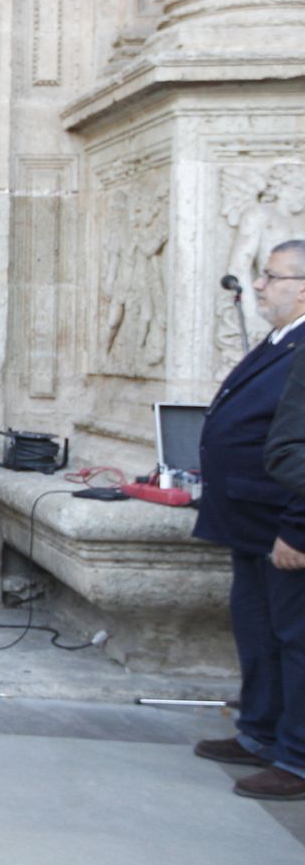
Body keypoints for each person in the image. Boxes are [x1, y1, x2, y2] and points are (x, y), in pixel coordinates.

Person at [193, 239, 305, 801]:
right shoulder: (281, 340)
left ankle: (298, 755)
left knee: (296, 638)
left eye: (272, 276)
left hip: (284, 527)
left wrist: (299, 527)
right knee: (259, 633)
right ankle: (260, 733)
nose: (259, 285)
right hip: (251, 520)